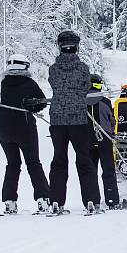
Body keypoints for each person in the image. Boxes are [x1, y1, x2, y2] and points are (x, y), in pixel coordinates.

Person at [46, 30, 101, 214]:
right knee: (84, 159)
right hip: (78, 119)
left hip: (57, 120)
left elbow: (54, 85)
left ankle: (56, 201)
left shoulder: (53, 69)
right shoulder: (83, 69)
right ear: (76, 47)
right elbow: (86, 88)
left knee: (59, 160)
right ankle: (91, 200)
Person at [0, 53, 51, 214]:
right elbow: (41, 102)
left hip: (4, 128)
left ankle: (9, 201)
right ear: (24, 66)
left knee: (12, 164)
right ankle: (43, 198)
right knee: (33, 163)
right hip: (24, 127)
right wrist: (32, 107)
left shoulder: (4, 83)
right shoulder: (29, 83)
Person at [85, 74, 119, 208]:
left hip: (86, 140)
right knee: (108, 170)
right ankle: (112, 200)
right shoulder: (105, 102)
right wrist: (112, 132)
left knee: (90, 171)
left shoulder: (80, 102)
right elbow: (112, 121)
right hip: (104, 140)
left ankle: (92, 200)